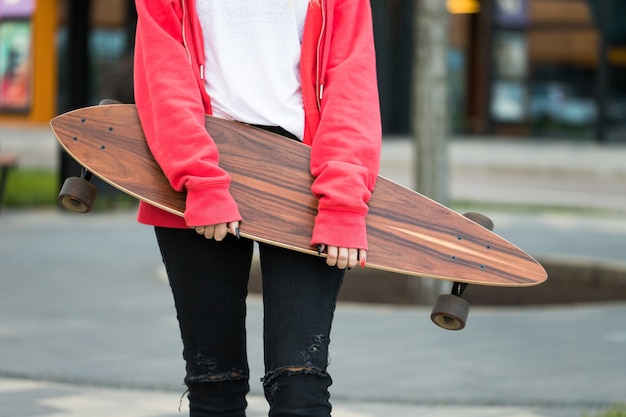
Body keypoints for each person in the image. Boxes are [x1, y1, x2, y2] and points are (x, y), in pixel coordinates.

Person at [133, 0, 381, 415]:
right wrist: (201, 179)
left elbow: (351, 79)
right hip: (196, 172)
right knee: (215, 388)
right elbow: (163, 73)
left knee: (299, 391)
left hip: (304, 183)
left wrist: (343, 202)